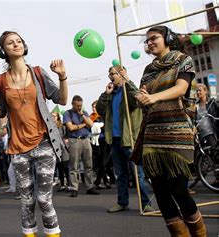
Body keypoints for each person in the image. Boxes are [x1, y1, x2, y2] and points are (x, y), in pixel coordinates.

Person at [0, 30, 68, 237]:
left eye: (18, 41)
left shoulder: (39, 73)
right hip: (18, 148)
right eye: (10, 43)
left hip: (43, 144)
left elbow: (61, 99)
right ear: (3, 50)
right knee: (26, 200)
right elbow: (1, 110)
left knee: (44, 199)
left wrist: (62, 77)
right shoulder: (0, 80)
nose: (16, 44)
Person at [135, 25, 206, 236]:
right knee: (161, 192)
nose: (149, 43)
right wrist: (141, 97)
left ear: (167, 38)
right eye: (147, 41)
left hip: (178, 134)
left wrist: (154, 97)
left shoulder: (183, 60)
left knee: (179, 190)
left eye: (153, 38)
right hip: (152, 136)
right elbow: (144, 97)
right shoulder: (148, 70)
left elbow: (181, 88)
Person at [96, 66, 153, 213]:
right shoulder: (111, 94)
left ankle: (145, 204)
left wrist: (128, 81)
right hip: (115, 140)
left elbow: (137, 100)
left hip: (130, 139)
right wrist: (105, 94)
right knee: (120, 174)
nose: (110, 77)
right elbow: (100, 110)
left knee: (138, 174)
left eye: (113, 74)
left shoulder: (129, 92)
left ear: (121, 74)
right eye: (109, 74)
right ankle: (122, 202)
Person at [63, 95, 99, 197]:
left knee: (89, 165)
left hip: (85, 140)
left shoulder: (84, 113)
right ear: (73, 104)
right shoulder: (68, 113)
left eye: (81, 105)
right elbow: (70, 127)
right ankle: (74, 188)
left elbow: (91, 124)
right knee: (74, 165)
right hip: (75, 140)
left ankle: (90, 187)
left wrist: (82, 115)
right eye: (77, 105)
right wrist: (83, 125)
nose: (79, 107)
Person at [195, 83, 218, 161]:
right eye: (197, 91)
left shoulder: (212, 102)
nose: (198, 92)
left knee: (215, 153)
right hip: (200, 134)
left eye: (200, 90)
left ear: (205, 91)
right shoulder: (195, 105)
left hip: (211, 132)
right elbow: (194, 119)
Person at [51, 112, 70, 192]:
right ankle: (62, 185)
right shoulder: (50, 126)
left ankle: (69, 185)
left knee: (66, 167)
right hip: (55, 150)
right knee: (60, 168)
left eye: (54, 116)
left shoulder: (62, 126)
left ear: (58, 117)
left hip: (64, 149)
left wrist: (66, 140)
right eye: (51, 116)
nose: (53, 118)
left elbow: (67, 135)